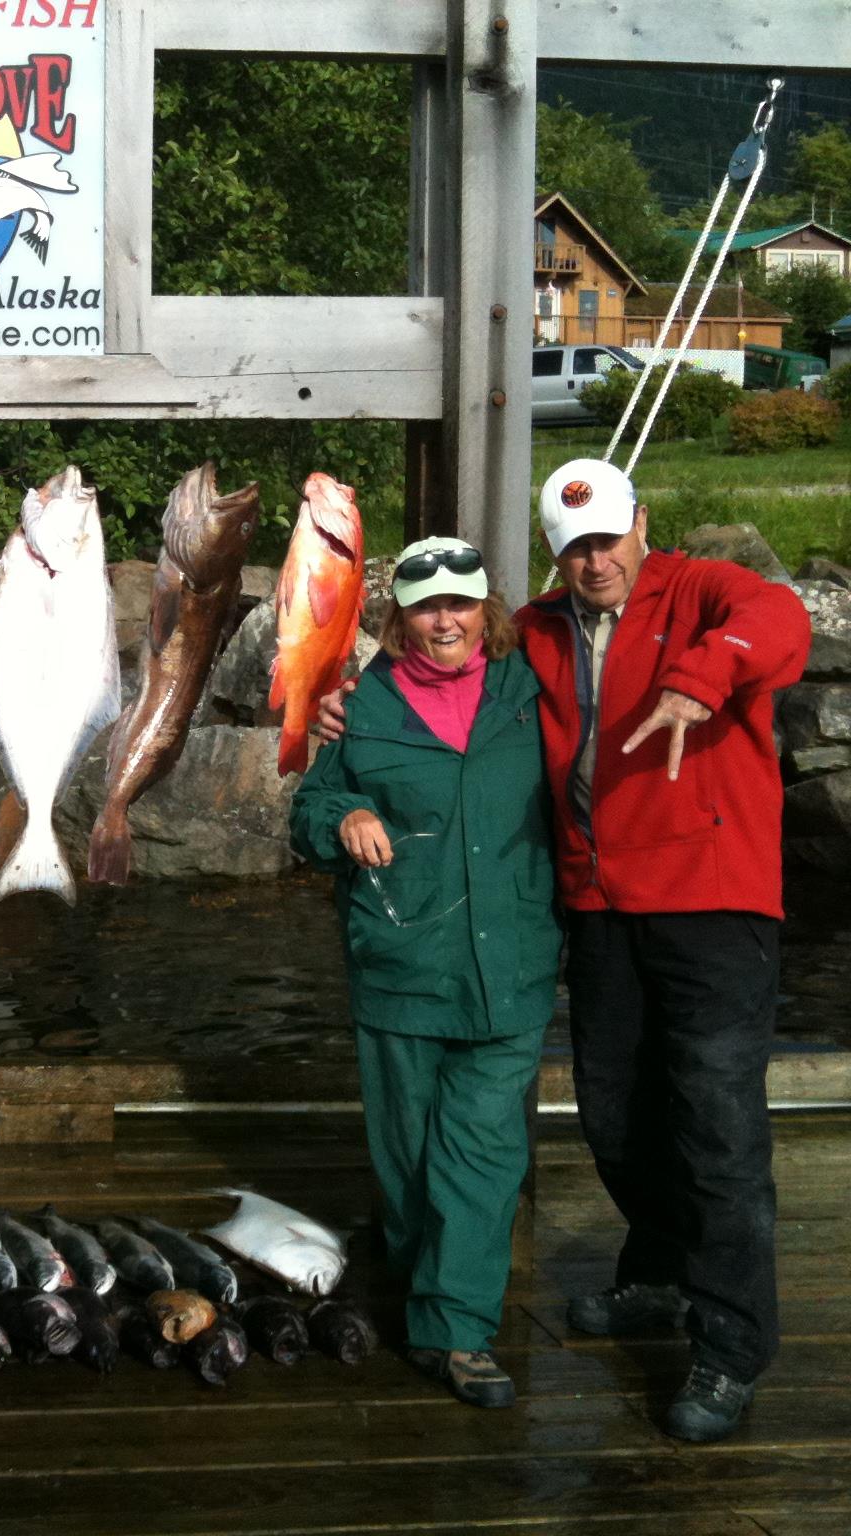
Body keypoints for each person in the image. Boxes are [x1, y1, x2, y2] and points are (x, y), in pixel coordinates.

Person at [316, 458, 811, 1441]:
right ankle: (661, 1273)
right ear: (554, 557)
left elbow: (781, 622)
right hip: (595, 905)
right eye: (573, 547)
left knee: (715, 1126)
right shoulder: (536, 631)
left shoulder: (704, 592)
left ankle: (726, 1346)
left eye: (608, 539)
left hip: (711, 903)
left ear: (641, 525)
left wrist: (696, 680)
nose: (595, 561)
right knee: (615, 1112)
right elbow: (438, 677)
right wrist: (348, 706)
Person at [289, 538, 559, 1409]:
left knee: (481, 1152)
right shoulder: (355, 706)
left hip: (511, 969)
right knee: (407, 1161)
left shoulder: (533, 690)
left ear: (488, 607)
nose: (445, 620)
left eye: (461, 602)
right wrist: (345, 812)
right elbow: (308, 811)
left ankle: (455, 1331)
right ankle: (421, 1272)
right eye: (425, 604)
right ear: (395, 615)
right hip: (402, 969)